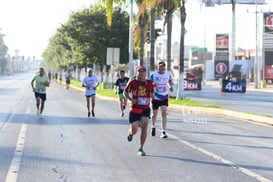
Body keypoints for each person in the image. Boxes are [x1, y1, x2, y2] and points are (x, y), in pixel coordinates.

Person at [123, 65, 154, 156]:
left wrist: (153, 98)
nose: (142, 73)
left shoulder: (149, 82)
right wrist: (130, 99)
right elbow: (125, 92)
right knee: (135, 130)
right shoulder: (133, 82)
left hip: (145, 108)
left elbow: (152, 94)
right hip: (135, 109)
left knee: (144, 127)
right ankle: (130, 133)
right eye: (140, 72)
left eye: (143, 72)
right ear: (137, 72)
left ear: (145, 73)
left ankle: (141, 148)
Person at [149, 61, 173, 138]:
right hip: (155, 97)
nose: (161, 68)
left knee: (164, 113)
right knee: (154, 114)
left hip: (164, 96)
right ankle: (153, 126)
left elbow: (169, 82)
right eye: (160, 67)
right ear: (158, 67)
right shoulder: (153, 75)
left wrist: (170, 87)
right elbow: (149, 84)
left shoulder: (168, 74)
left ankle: (163, 131)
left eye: (163, 67)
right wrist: (153, 85)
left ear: (165, 67)